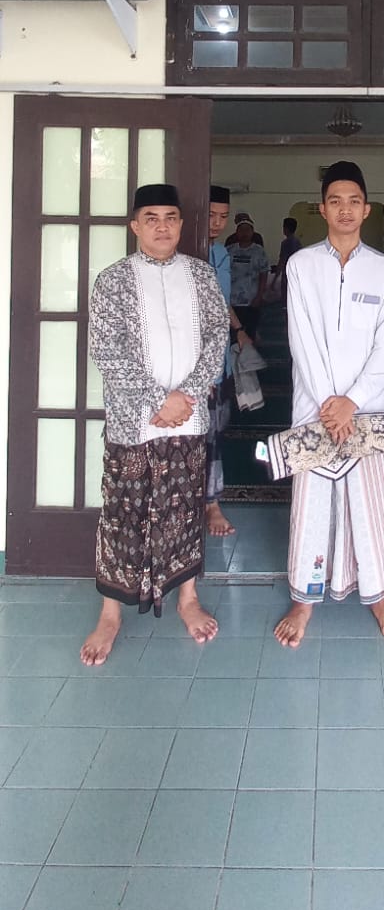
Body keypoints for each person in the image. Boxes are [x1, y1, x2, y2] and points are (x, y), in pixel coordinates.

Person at [80, 184, 229, 666]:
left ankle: (187, 599)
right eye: (151, 218)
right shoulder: (112, 280)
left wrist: (185, 397)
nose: (162, 227)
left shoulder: (201, 275)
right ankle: (110, 614)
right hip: (134, 421)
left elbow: (217, 336)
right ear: (135, 226)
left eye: (170, 217)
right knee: (122, 514)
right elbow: (106, 350)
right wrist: (157, 399)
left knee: (184, 509)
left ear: (181, 225)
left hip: (188, 418)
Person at [274, 160, 384, 649]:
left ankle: (378, 597)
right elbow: (302, 339)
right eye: (336, 201)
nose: (345, 209)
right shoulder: (301, 265)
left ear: (367, 209)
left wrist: (351, 401)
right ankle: (304, 599)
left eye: (354, 201)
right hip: (314, 409)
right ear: (323, 209)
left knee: (369, 507)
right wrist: (331, 404)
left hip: (367, 411)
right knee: (311, 507)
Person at [206, 184, 245, 537]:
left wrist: (240, 330)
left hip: (220, 362)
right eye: (211, 215)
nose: (217, 223)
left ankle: (210, 500)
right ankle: (206, 503)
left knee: (217, 433)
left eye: (223, 216)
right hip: (191, 367)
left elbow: (223, 301)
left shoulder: (221, 253)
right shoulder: (184, 253)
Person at [227, 213, 269, 341]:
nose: (244, 233)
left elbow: (264, 274)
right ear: (236, 232)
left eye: (247, 230)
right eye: (241, 230)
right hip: (232, 301)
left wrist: (259, 295)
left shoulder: (259, 251)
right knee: (233, 336)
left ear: (252, 232)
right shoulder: (229, 250)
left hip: (251, 301)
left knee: (250, 334)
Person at [276, 215, 302, 305]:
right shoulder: (298, 242)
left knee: (286, 297)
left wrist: (275, 277)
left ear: (286, 228)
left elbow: (282, 260)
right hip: (297, 272)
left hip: (287, 273)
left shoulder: (286, 243)